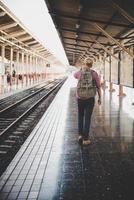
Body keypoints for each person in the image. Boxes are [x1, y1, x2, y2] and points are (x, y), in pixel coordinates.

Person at [74, 60, 101, 145]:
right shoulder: (94, 73)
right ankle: (86, 138)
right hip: (90, 98)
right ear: (91, 65)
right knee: (87, 118)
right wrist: (100, 98)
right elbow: (98, 86)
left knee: (80, 116)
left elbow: (74, 75)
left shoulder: (79, 73)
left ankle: (80, 135)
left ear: (84, 64)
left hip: (80, 97)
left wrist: (81, 69)